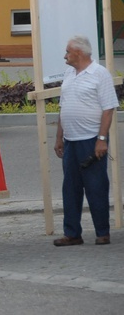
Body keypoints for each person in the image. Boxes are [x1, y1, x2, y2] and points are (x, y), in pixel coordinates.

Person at [52, 35, 117, 246]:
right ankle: (72, 233)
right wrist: (59, 137)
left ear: (78, 53)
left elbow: (109, 108)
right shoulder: (70, 73)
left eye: (67, 52)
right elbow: (64, 107)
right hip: (71, 140)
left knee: (96, 186)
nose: (65, 56)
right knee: (70, 188)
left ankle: (102, 232)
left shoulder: (100, 74)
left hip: (90, 140)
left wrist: (102, 139)